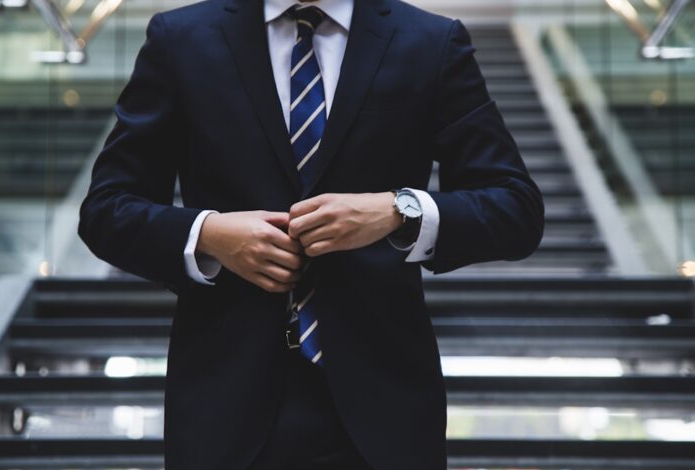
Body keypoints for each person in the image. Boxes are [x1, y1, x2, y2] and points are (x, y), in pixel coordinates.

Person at [77, 0, 544, 468]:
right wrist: (208, 234)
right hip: (223, 404)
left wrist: (398, 210)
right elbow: (106, 209)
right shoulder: (180, 38)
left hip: (385, 410)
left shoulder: (431, 41)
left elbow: (515, 208)